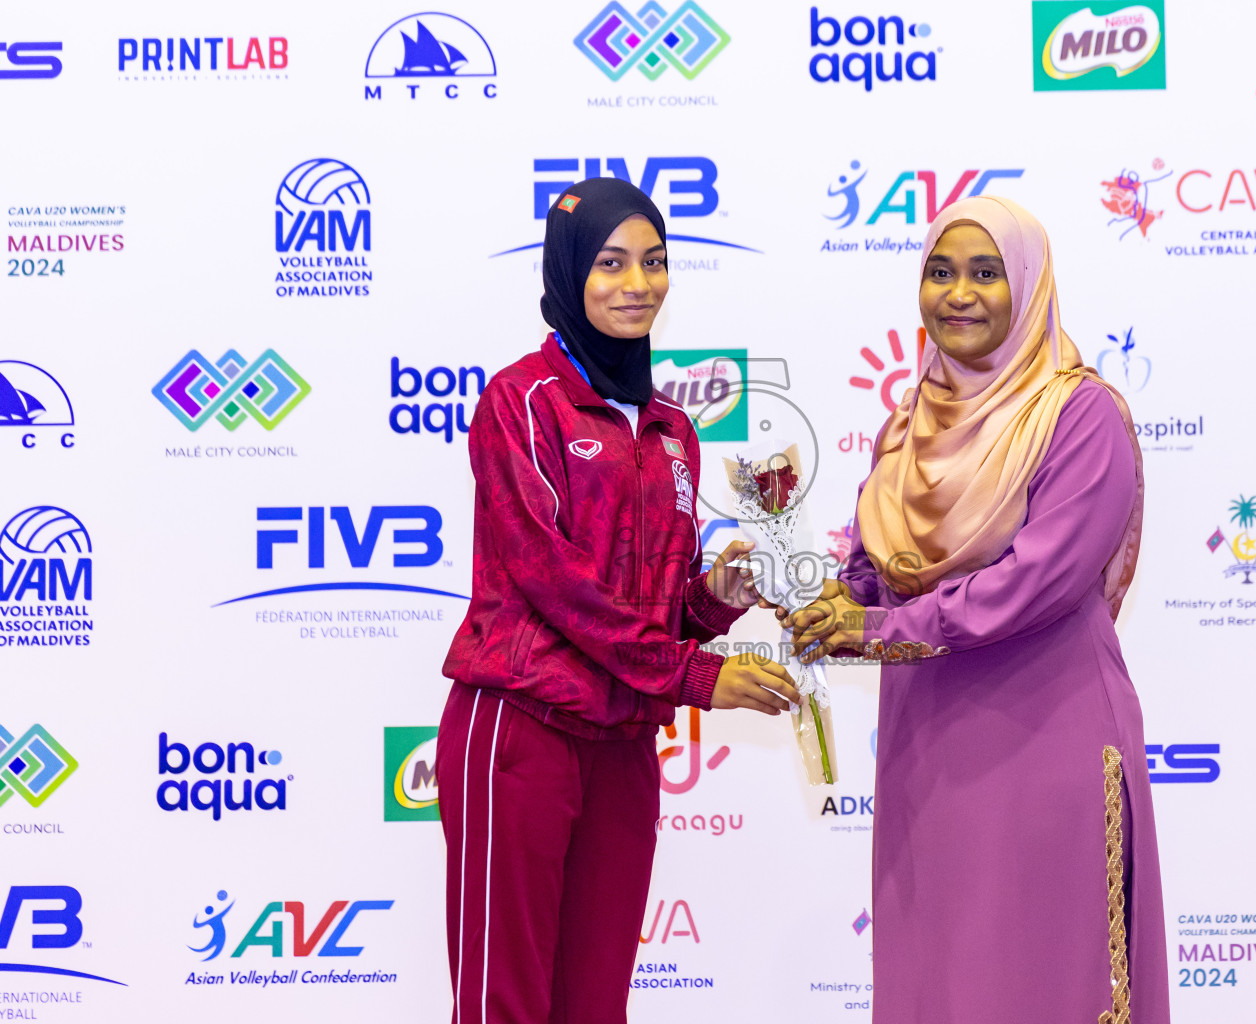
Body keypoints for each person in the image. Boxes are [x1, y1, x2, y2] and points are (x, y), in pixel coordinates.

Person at [788, 196, 1169, 1023]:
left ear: (1028, 287)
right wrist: (826, 599)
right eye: (940, 272)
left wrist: (880, 631)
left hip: (1045, 743)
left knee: (1041, 977)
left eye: (986, 273)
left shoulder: (1078, 415)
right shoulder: (911, 419)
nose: (958, 294)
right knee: (942, 983)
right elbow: (875, 562)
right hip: (929, 756)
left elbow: (1037, 583)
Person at [437, 177, 800, 1024]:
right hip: (520, 730)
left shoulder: (673, 428)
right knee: (506, 1005)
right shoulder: (520, 402)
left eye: (654, 262)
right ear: (568, 273)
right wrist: (699, 677)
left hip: (625, 742)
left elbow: (648, 604)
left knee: (596, 1004)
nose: (637, 283)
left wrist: (711, 602)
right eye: (610, 263)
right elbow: (557, 584)